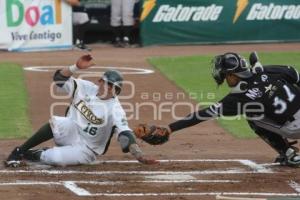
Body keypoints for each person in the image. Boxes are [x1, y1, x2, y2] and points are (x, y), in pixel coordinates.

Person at [135, 52, 300, 167]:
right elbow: (294, 75)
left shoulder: (238, 98)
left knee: (252, 116)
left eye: (224, 73)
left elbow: (204, 114)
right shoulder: (266, 71)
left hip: (294, 128)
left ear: (232, 75)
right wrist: (267, 77)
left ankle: (290, 153)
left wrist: (171, 128)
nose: (222, 76)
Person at [5, 54, 157, 167]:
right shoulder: (86, 88)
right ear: (100, 81)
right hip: (72, 131)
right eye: (107, 83)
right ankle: (19, 151)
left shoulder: (116, 110)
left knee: (54, 159)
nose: (109, 88)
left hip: (87, 149)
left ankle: (33, 154)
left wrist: (139, 155)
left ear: (117, 90)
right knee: (57, 122)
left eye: (114, 87)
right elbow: (59, 79)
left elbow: (125, 134)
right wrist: (75, 67)